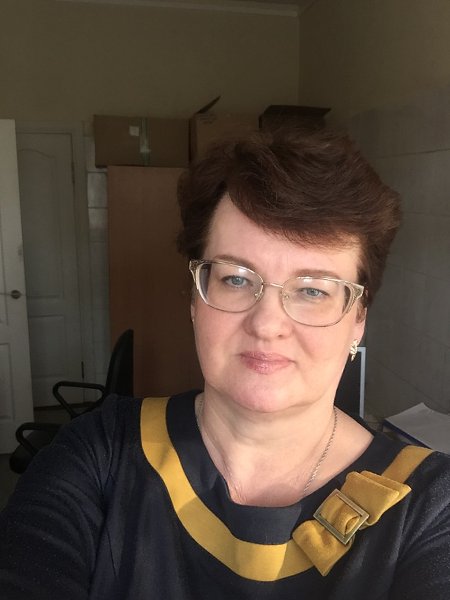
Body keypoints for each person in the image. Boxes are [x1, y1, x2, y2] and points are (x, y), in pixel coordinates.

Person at [1, 128, 449, 600]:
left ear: (358, 319)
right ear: (196, 299)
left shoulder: (429, 507)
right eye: (236, 279)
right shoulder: (97, 454)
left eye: (313, 290)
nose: (267, 324)